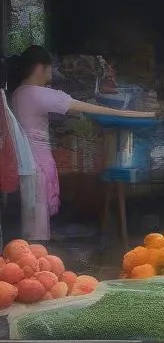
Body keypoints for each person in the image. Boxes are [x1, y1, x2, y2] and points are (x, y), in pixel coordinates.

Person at [9, 46, 155, 240]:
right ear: (40, 68)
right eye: (50, 67)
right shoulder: (37, 94)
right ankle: (38, 260)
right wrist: (138, 114)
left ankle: (34, 256)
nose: (52, 72)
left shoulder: (19, 93)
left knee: (31, 222)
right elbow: (88, 108)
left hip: (27, 164)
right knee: (37, 228)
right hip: (37, 166)